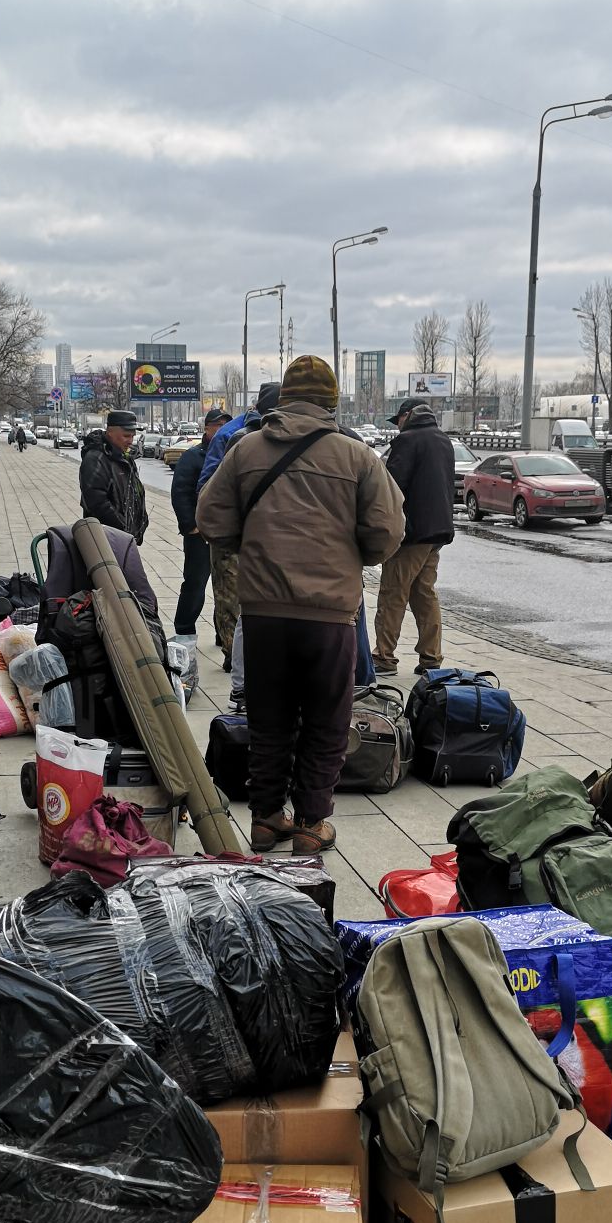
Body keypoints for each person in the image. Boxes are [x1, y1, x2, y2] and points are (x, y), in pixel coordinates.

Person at [197, 355, 404, 855]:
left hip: (263, 612)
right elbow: (388, 531)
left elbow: (210, 518)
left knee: (268, 718)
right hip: (329, 614)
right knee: (326, 720)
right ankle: (312, 823)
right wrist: (353, 555)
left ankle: (266, 818)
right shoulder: (357, 456)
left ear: (284, 399)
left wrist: (253, 545)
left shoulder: (246, 450)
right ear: (332, 402)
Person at [372, 395, 456, 676]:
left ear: (408, 415)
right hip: (436, 532)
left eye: (398, 420)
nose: (397, 426)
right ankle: (431, 658)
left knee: (392, 593)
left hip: (411, 533)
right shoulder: (443, 440)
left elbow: (391, 487)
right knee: (424, 594)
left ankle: (384, 657)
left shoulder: (408, 441)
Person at [200, 383, 280, 669]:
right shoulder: (231, 436)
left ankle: (250, 657)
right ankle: (234, 660)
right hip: (232, 535)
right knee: (230, 598)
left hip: (264, 535)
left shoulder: (282, 435)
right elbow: (207, 487)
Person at [170, 407, 227, 639]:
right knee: (195, 583)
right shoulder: (193, 456)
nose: (223, 430)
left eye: (226, 425)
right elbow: (180, 492)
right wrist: (190, 526)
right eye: (218, 425)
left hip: (225, 533)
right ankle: (184, 631)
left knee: (226, 587)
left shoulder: (233, 451)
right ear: (207, 428)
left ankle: (222, 634)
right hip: (199, 534)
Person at [79, 409, 149, 543]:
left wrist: (142, 522)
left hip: (124, 538)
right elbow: (96, 503)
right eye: (126, 436)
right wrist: (123, 528)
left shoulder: (125, 458)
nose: (130, 441)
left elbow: (135, 493)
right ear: (110, 432)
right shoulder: (96, 459)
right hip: (104, 538)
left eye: (133, 436)